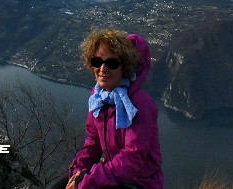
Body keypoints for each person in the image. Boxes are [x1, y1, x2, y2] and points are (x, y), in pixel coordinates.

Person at [61, 29, 163, 189]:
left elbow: (133, 157)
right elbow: (92, 143)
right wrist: (78, 171)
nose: (102, 69)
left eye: (112, 63)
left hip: (140, 182)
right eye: (97, 61)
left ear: (126, 67)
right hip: (114, 174)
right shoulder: (98, 99)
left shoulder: (139, 103)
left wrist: (90, 180)